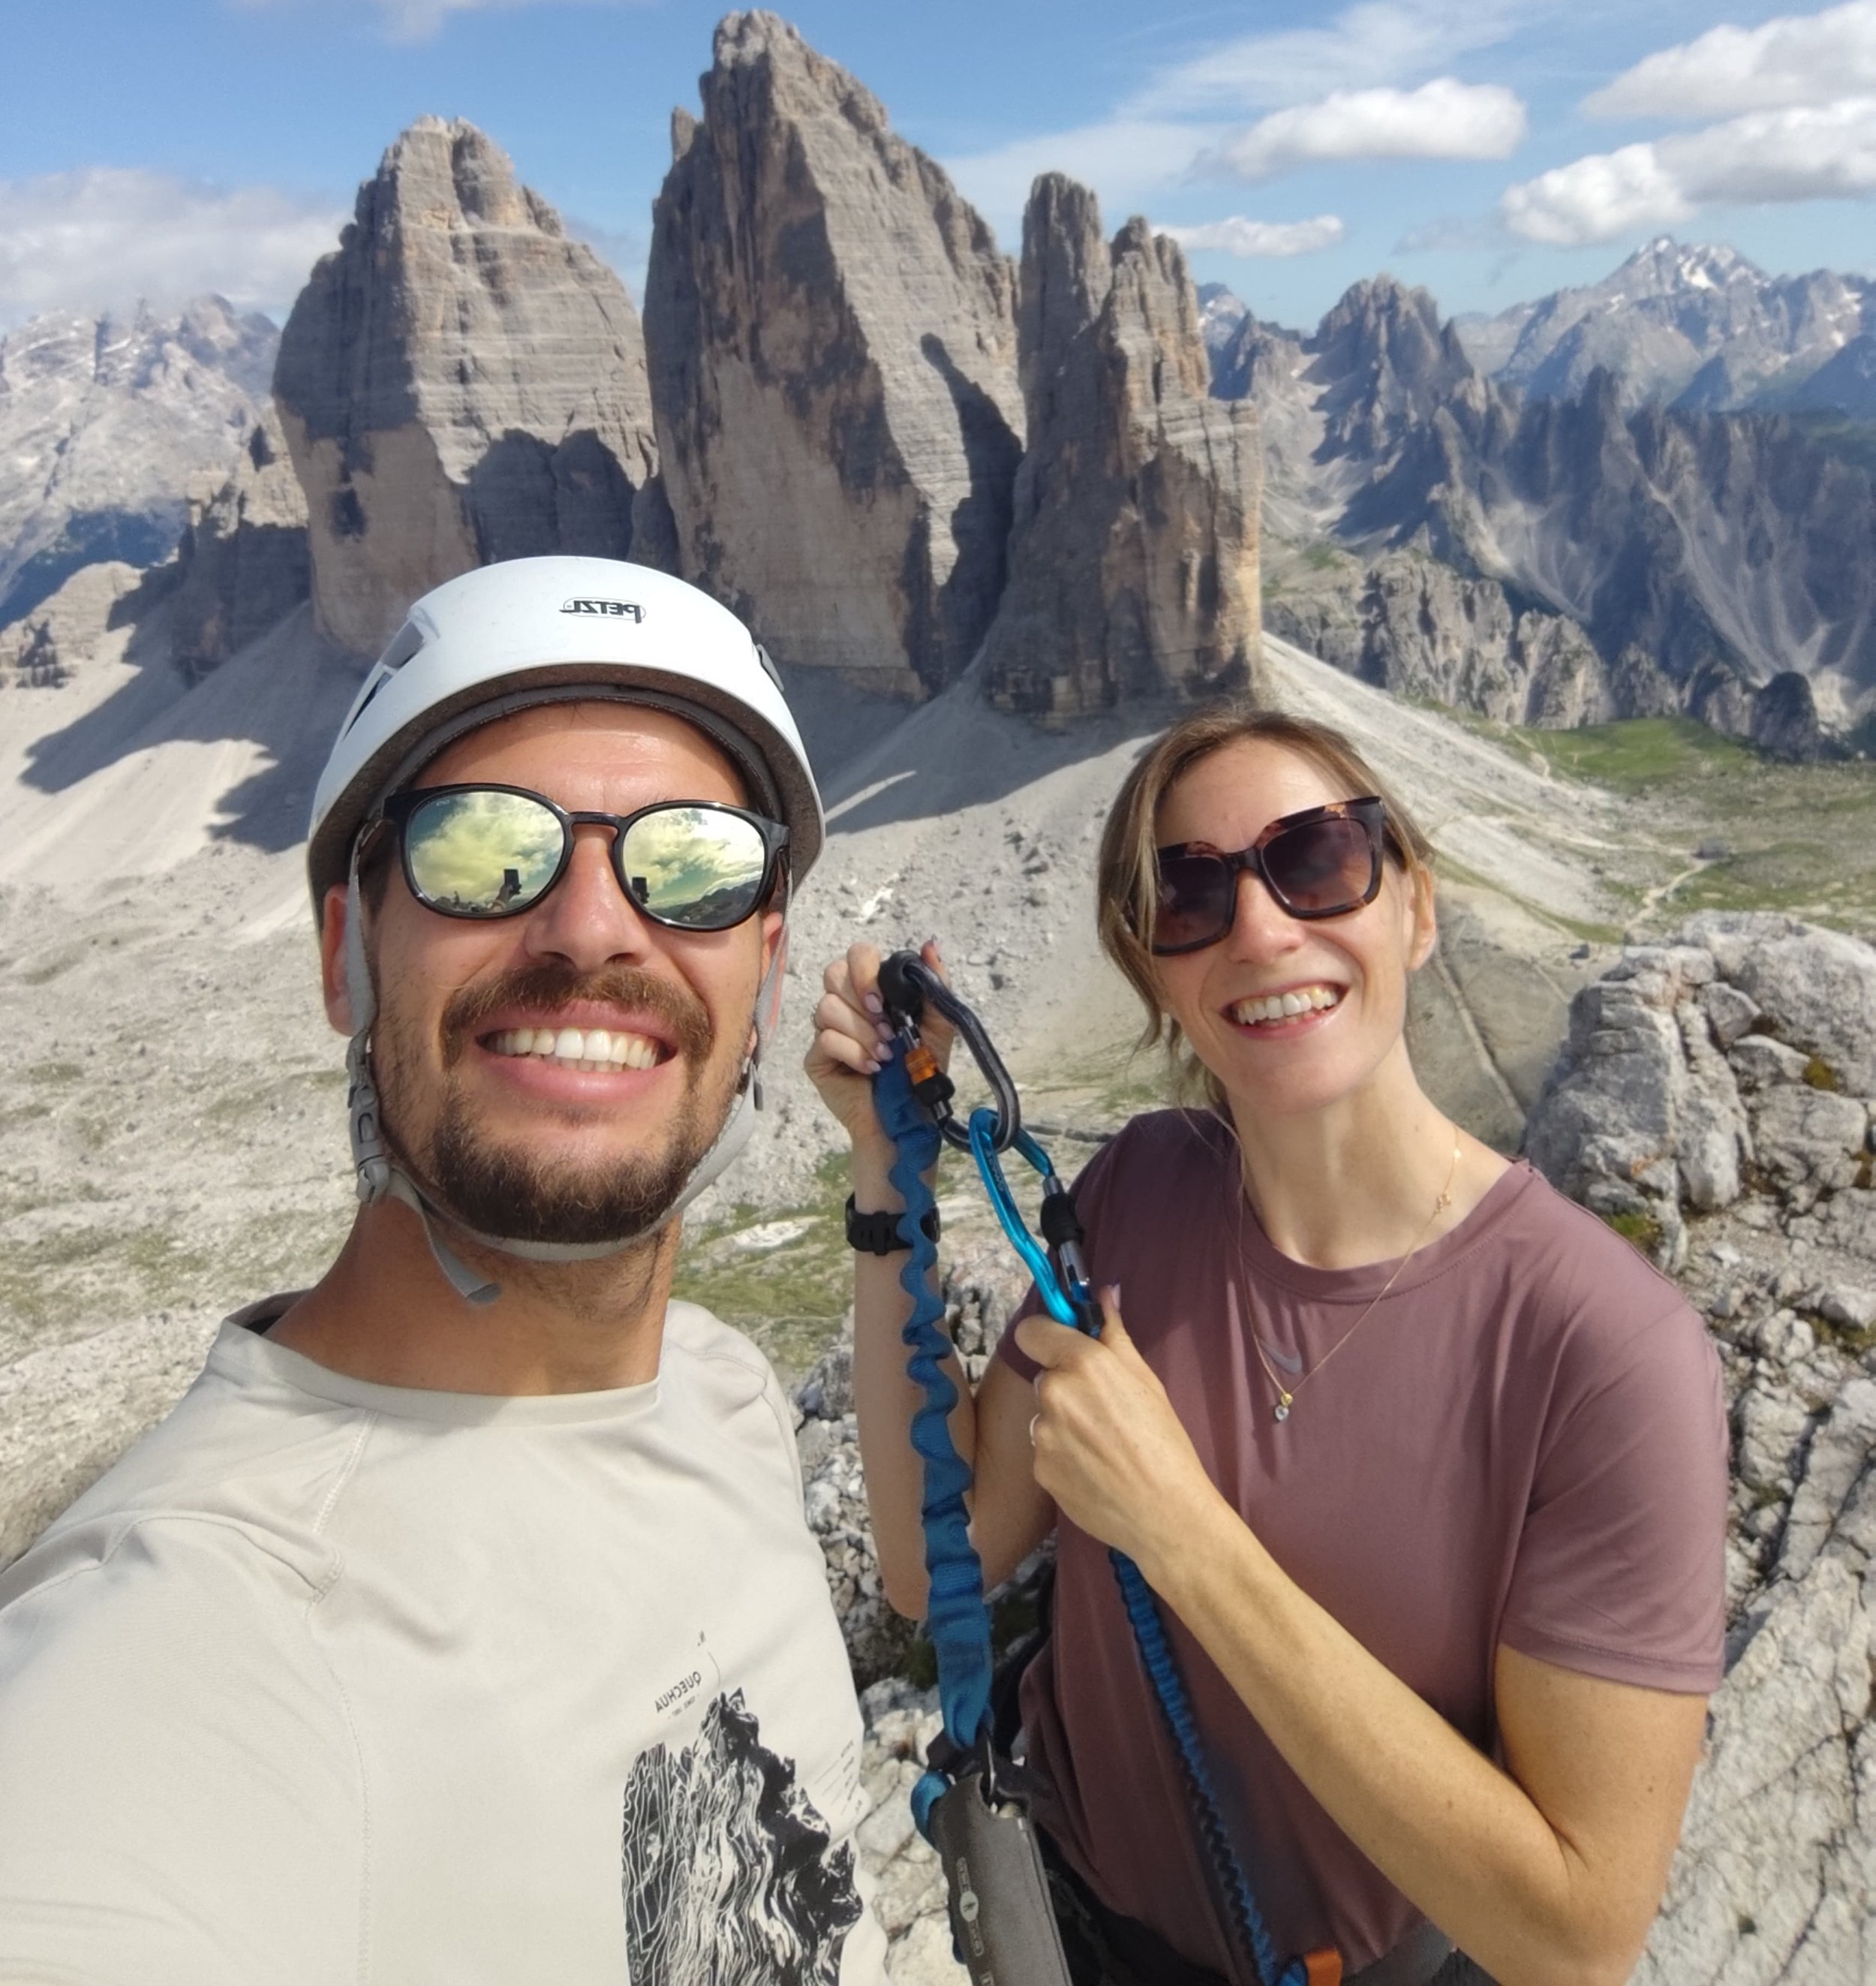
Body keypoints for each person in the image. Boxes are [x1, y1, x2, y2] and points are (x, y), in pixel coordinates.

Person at [0, 555, 887, 1986]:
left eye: (695, 862)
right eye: (482, 848)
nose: (594, 926)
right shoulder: (187, 1635)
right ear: (348, 951)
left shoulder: (721, 1389)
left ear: (767, 974)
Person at [810, 704, 1727, 1986]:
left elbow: (1577, 1936)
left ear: (1415, 904)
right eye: (1189, 892)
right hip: (1067, 1941)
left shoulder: (1603, 1349)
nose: (1257, 927)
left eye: (1316, 859)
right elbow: (926, 1566)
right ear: (1158, 974)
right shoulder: (1136, 1193)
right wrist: (881, 1170)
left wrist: (1183, 1535)